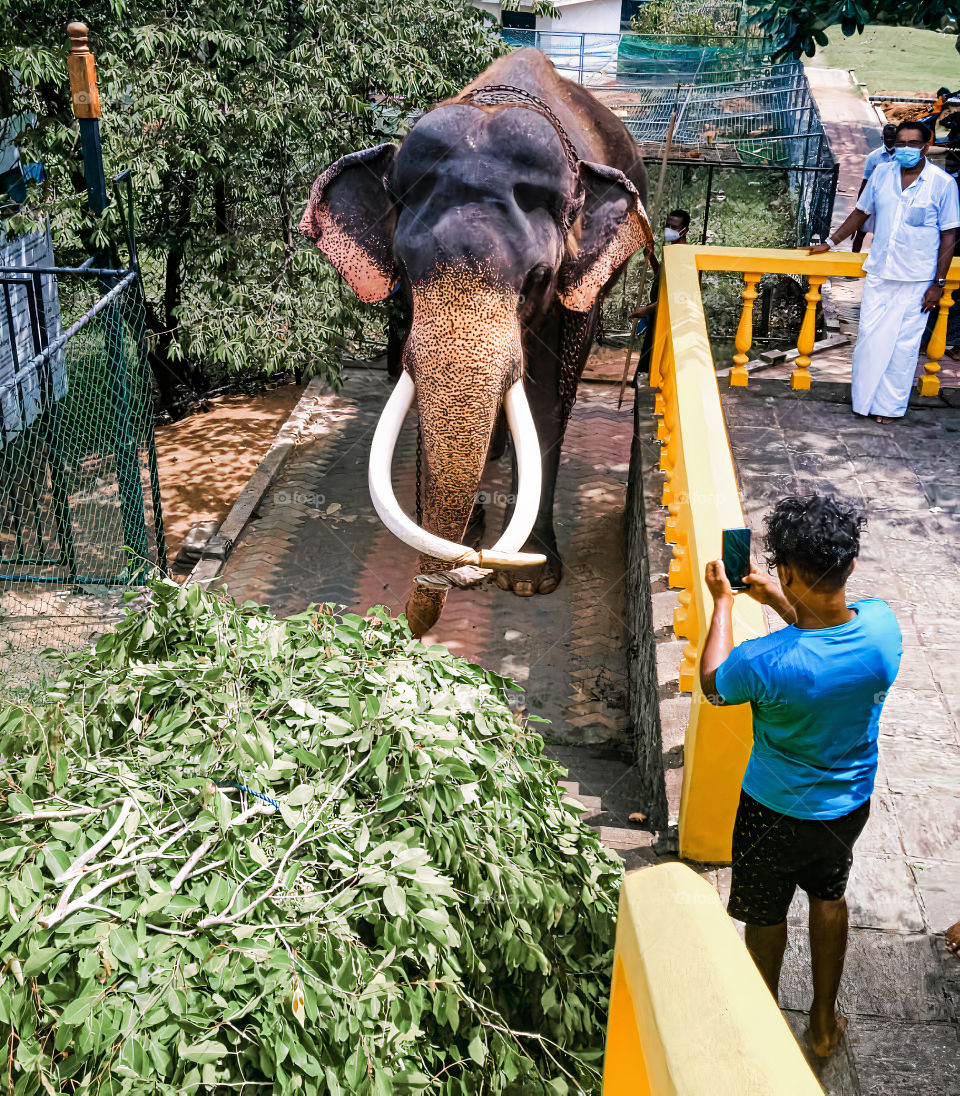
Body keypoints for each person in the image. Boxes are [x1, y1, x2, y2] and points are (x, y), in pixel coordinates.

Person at [699, 495, 902, 1058]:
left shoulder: (765, 662)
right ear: (851, 565)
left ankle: (762, 1027)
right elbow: (827, 638)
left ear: (785, 571)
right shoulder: (883, 629)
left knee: (765, 915)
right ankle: (820, 1022)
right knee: (828, 897)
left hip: (772, 811)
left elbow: (714, 683)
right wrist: (784, 600)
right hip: (847, 806)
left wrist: (723, 604)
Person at [810, 120, 960, 423]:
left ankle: (888, 408)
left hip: (917, 280)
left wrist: (938, 284)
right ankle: (863, 402)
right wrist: (829, 242)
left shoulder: (942, 184)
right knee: (868, 339)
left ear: (926, 146)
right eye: (901, 143)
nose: (905, 149)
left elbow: (948, 235)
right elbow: (861, 212)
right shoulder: (881, 173)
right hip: (880, 273)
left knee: (903, 347)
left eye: (912, 144)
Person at [630, 210, 690, 375]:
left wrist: (645, 310)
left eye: (673, 227)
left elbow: (676, 295)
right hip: (657, 313)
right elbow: (661, 276)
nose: (668, 230)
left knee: (654, 364)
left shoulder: (683, 256)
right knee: (647, 360)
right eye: (667, 226)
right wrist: (651, 258)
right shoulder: (671, 251)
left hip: (666, 317)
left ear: (684, 230)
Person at [852, 124, 897, 253]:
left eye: (893, 137)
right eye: (887, 137)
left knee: (882, 235)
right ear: (883, 137)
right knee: (860, 233)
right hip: (872, 200)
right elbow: (864, 182)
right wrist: (858, 207)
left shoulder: (902, 157)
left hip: (891, 202)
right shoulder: (873, 157)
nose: (889, 140)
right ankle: (851, 266)